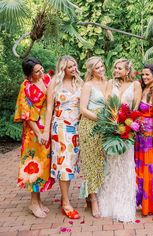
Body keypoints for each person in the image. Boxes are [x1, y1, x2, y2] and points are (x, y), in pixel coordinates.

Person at [98, 58, 142, 222]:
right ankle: (109, 203)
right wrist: (112, 124)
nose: (115, 70)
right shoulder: (111, 83)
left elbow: (136, 108)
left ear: (127, 70)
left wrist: (129, 126)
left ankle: (124, 204)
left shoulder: (136, 84)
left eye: (119, 68)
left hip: (127, 130)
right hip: (112, 128)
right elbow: (107, 105)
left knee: (125, 166)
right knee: (111, 166)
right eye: (115, 68)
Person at [43, 55, 83, 219]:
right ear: (62, 69)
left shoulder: (79, 82)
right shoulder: (54, 83)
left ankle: (64, 197)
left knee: (71, 163)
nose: (73, 69)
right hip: (60, 128)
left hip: (77, 128)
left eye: (74, 66)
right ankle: (66, 203)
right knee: (64, 164)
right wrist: (46, 131)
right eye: (69, 67)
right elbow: (49, 108)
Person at [14, 57, 54, 218]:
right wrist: (39, 133)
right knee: (33, 165)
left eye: (41, 69)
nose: (41, 72)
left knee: (44, 165)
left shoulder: (46, 79)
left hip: (47, 128)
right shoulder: (26, 87)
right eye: (37, 71)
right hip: (34, 132)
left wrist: (47, 131)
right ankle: (33, 203)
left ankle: (38, 200)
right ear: (29, 74)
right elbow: (26, 114)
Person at [78, 56, 107, 218]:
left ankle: (95, 194)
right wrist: (99, 119)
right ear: (91, 70)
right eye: (97, 68)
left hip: (105, 127)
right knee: (91, 162)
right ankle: (93, 199)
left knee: (102, 162)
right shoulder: (88, 85)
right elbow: (83, 109)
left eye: (102, 66)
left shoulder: (107, 83)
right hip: (90, 126)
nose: (101, 69)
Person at [135, 64, 153, 216]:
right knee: (140, 168)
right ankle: (141, 200)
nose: (144, 77)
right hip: (139, 135)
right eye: (143, 75)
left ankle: (151, 204)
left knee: (149, 169)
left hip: (149, 136)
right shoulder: (144, 89)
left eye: (147, 74)